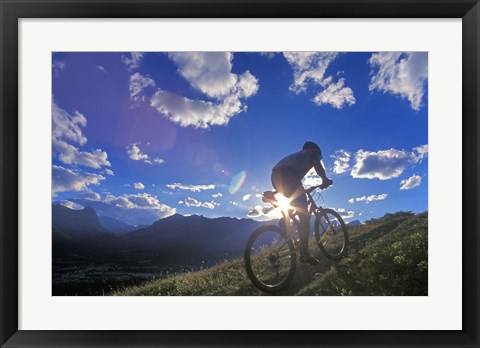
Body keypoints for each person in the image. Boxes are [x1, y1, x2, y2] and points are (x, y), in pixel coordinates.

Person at [271, 141, 333, 265]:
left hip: (275, 176)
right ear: (317, 151)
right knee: (304, 216)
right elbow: (318, 166)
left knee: (296, 202)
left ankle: (286, 222)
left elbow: (284, 177)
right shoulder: (312, 153)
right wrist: (325, 179)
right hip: (289, 176)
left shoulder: (298, 157)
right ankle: (304, 253)